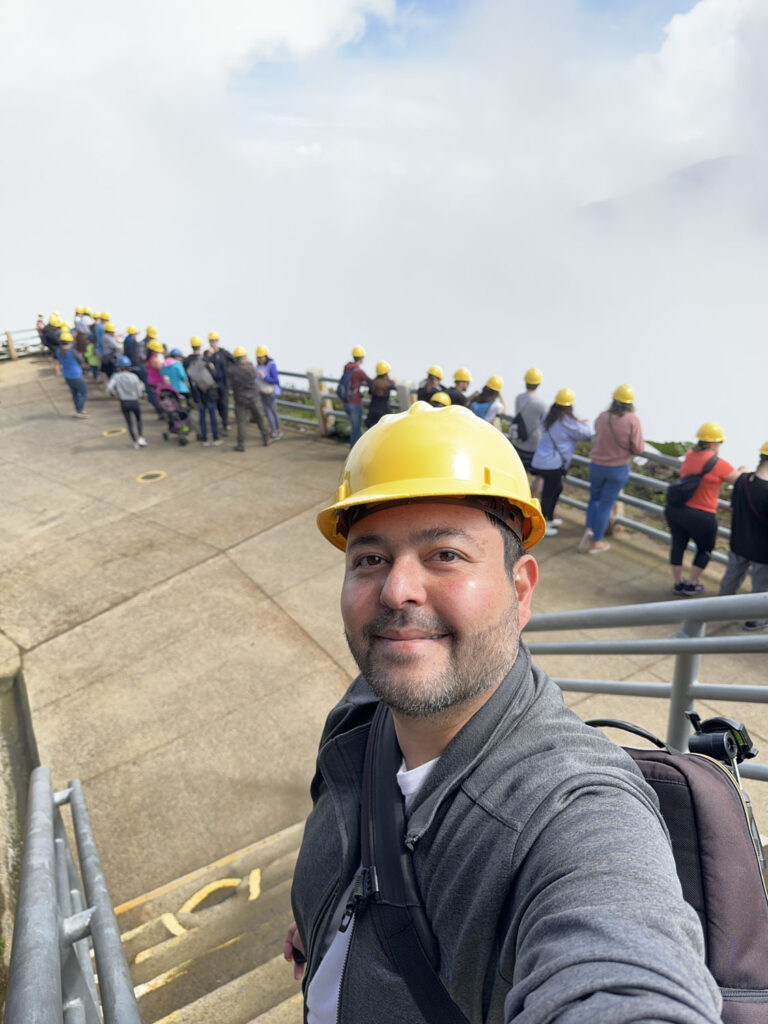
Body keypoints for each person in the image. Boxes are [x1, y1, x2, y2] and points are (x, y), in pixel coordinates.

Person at [283, 402, 722, 1024]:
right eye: (369, 558)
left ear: (520, 591)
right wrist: (323, 921)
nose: (396, 589)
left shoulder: (571, 808)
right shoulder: (366, 706)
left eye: (446, 555)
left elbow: (621, 967)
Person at [665, 422, 746, 596]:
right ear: (712, 444)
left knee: (678, 545)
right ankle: (692, 584)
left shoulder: (689, 455)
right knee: (705, 549)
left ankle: (678, 583)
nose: (720, 446)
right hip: (702, 515)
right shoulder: (718, 464)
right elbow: (740, 481)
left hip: (678, 511)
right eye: (719, 443)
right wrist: (742, 470)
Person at [579, 384, 644, 555]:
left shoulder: (602, 417)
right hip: (618, 468)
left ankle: (589, 529)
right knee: (606, 505)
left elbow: (597, 434)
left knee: (594, 500)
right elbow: (638, 448)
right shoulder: (632, 420)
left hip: (597, 466)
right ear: (630, 403)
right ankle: (596, 542)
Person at [718, 440, 768, 629]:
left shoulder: (743, 481)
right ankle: (753, 621)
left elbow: (734, 506)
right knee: (760, 587)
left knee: (730, 579)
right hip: (762, 550)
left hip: (739, 541)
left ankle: (718, 610)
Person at [531, 388, 592, 535]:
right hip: (553, 464)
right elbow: (587, 434)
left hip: (540, 460)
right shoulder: (568, 422)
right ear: (570, 406)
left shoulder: (548, 416)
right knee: (549, 493)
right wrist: (581, 423)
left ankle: (549, 519)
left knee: (556, 489)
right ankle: (543, 526)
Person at [510, 368, 546, 498]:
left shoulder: (519, 398)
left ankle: (516, 496)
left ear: (526, 381)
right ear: (539, 383)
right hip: (533, 445)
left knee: (519, 472)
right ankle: (529, 498)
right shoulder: (541, 404)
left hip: (518, 441)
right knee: (539, 476)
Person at [228, 347, 271, 451]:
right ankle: (266, 439)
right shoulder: (251, 367)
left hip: (240, 400)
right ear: (244, 358)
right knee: (261, 419)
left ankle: (241, 445)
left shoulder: (232, 370)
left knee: (241, 423)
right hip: (254, 398)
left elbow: (229, 383)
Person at [107, 356, 147, 449]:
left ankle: (135, 441)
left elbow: (109, 387)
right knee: (138, 420)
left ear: (119, 367)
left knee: (129, 422)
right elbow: (140, 388)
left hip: (124, 402)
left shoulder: (116, 376)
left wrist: (115, 393)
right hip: (135, 401)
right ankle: (141, 437)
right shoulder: (134, 376)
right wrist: (140, 395)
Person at [187, 350, 221, 446]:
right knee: (213, 417)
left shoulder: (193, 368)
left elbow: (193, 384)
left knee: (202, 418)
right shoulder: (207, 365)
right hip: (211, 395)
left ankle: (204, 439)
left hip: (201, 396)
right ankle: (215, 438)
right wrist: (213, 369)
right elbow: (215, 377)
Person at [341, 346, 371, 447]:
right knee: (356, 428)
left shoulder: (347, 368)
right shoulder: (359, 372)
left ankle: (365, 446)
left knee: (356, 428)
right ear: (362, 358)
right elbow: (370, 382)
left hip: (345, 402)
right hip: (355, 403)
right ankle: (354, 451)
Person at [57, 331, 88, 417]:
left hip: (67, 376)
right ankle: (79, 410)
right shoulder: (72, 352)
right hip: (76, 375)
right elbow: (81, 360)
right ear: (70, 342)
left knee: (74, 393)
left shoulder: (58, 352)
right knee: (84, 393)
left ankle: (78, 409)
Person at [206, 331, 232, 434]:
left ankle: (225, 424)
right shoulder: (207, 353)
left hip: (223, 384)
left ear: (218, 341)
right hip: (212, 385)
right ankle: (220, 422)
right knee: (217, 405)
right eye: (211, 341)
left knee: (224, 404)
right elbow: (202, 364)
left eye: (215, 341)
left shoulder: (224, 353)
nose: (213, 343)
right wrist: (208, 356)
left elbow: (233, 360)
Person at [255, 345, 282, 439]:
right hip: (262, 392)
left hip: (270, 392)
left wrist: (264, 377)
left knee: (273, 411)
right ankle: (273, 430)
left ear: (265, 356)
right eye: (258, 358)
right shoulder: (258, 365)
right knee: (267, 412)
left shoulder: (271, 365)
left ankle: (277, 431)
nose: (260, 359)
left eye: (261, 357)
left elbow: (275, 380)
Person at [365, 360, 396, 428]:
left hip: (373, 411)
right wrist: (393, 382)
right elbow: (392, 385)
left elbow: (370, 391)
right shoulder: (388, 384)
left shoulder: (372, 383)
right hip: (384, 411)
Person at [146, 339, 167, 418]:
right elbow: (161, 370)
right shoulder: (155, 360)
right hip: (157, 382)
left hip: (152, 381)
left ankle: (161, 414)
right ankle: (162, 414)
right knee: (160, 399)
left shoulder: (150, 358)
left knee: (157, 398)